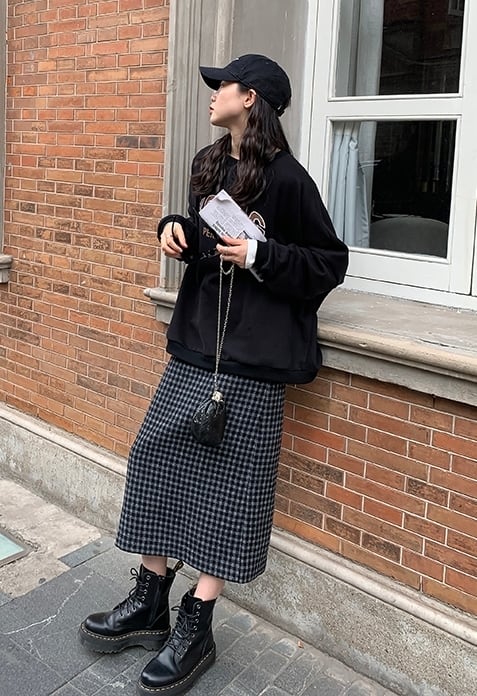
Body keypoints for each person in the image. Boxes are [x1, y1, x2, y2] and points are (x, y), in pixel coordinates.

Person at [78, 54, 349, 696]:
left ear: (249, 97)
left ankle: (196, 624)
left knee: (231, 490)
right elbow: (200, 237)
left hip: (253, 362)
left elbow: (329, 261)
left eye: (220, 85)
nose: (211, 94)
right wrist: (174, 229)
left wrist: (261, 254)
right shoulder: (210, 163)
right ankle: (150, 600)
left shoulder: (289, 180)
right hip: (198, 345)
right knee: (154, 459)